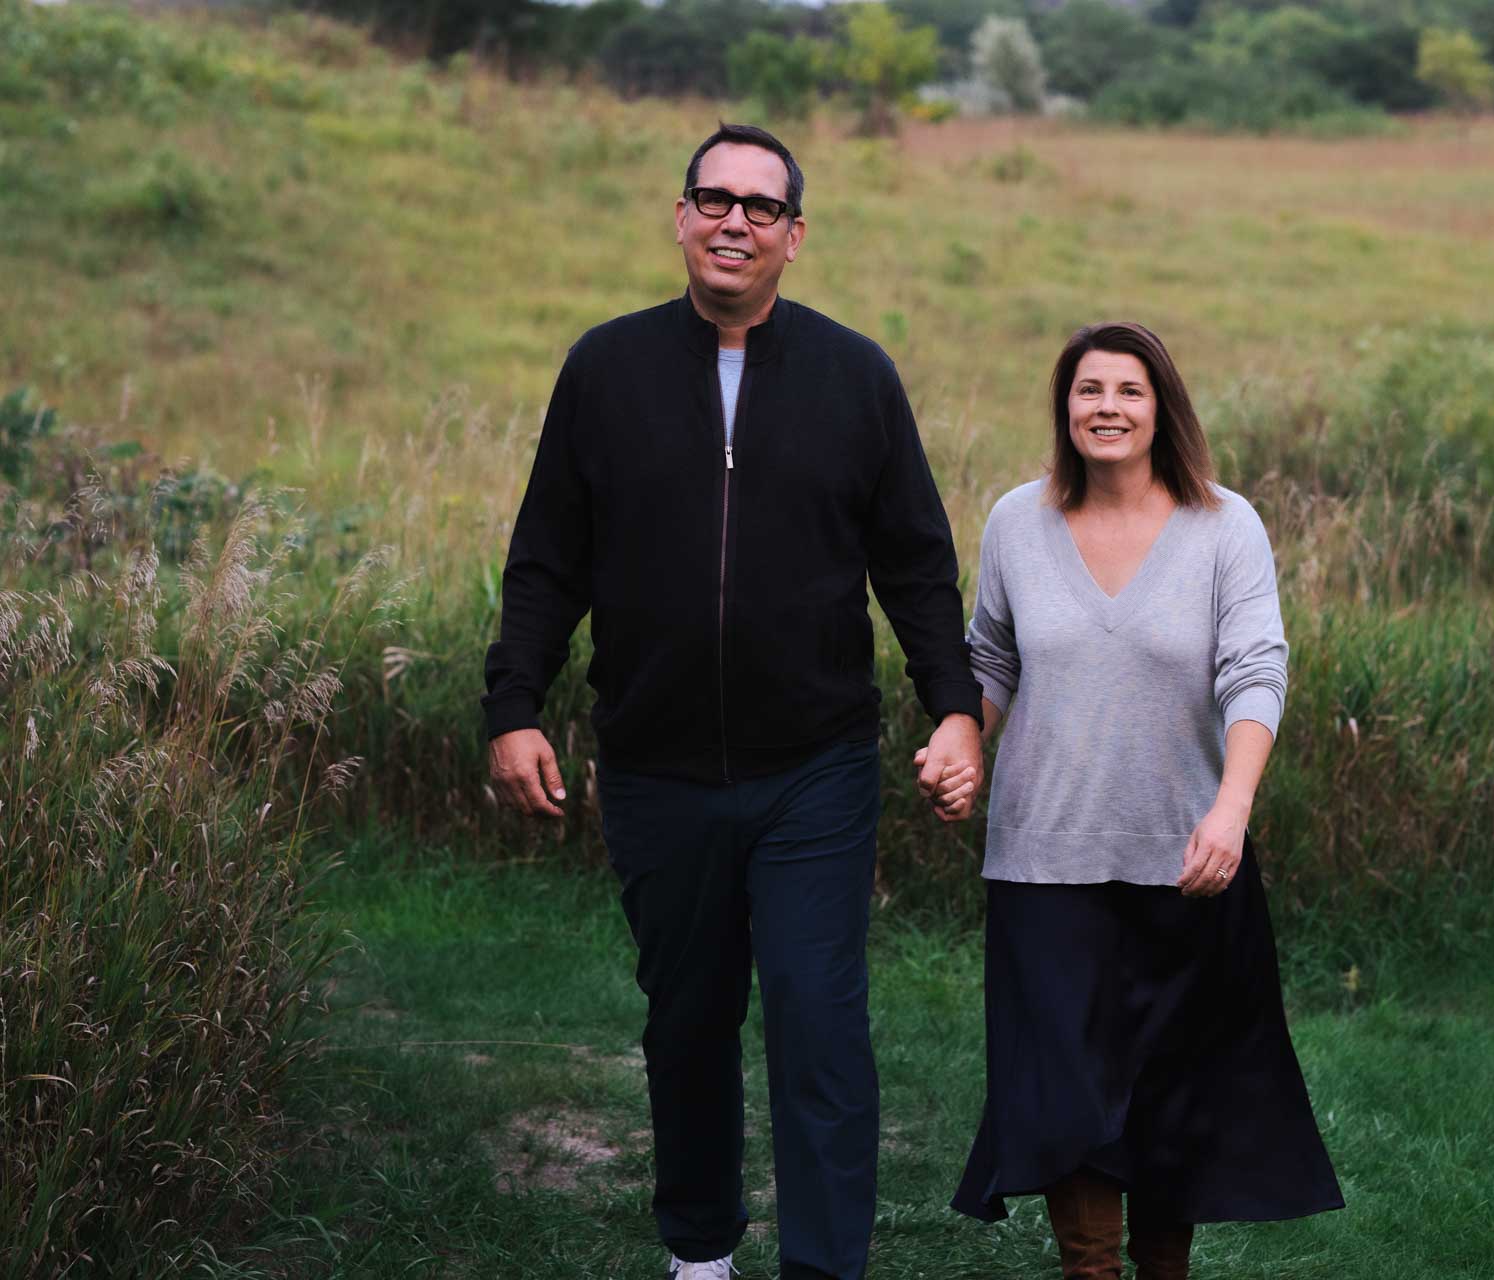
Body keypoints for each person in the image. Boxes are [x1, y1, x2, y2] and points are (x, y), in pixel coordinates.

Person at [481, 123, 985, 1280]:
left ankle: (822, 1266)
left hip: (815, 763)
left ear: (794, 237)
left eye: (760, 207)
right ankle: (699, 1252)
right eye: (713, 198)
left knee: (818, 1021)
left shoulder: (856, 376)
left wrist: (952, 704)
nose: (734, 221)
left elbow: (914, 561)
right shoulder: (603, 370)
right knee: (688, 1020)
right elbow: (547, 558)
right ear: (681, 217)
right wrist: (513, 705)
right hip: (656, 764)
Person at [922, 322, 1343, 1278]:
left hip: (1187, 861)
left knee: (1171, 1106)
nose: (1105, 407)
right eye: (1087, 390)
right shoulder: (1014, 523)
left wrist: (1231, 808)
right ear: (1064, 408)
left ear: (1163, 411)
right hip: (1043, 861)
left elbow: (1256, 671)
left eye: (1128, 391)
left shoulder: (1223, 525)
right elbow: (990, 658)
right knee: (1067, 1104)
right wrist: (962, 739)